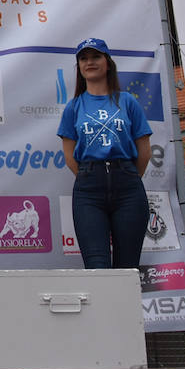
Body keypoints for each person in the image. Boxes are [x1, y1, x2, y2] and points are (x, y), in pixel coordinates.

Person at [57, 37, 153, 269]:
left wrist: (126, 176)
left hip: (128, 187)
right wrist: (92, 175)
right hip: (89, 190)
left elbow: (145, 151)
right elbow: (69, 155)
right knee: (97, 266)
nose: (90, 62)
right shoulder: (74, 106)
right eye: (84, 58)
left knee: (128, 268)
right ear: (79, 67)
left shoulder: (128, 102)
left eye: (96, 56)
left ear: (108, 63)